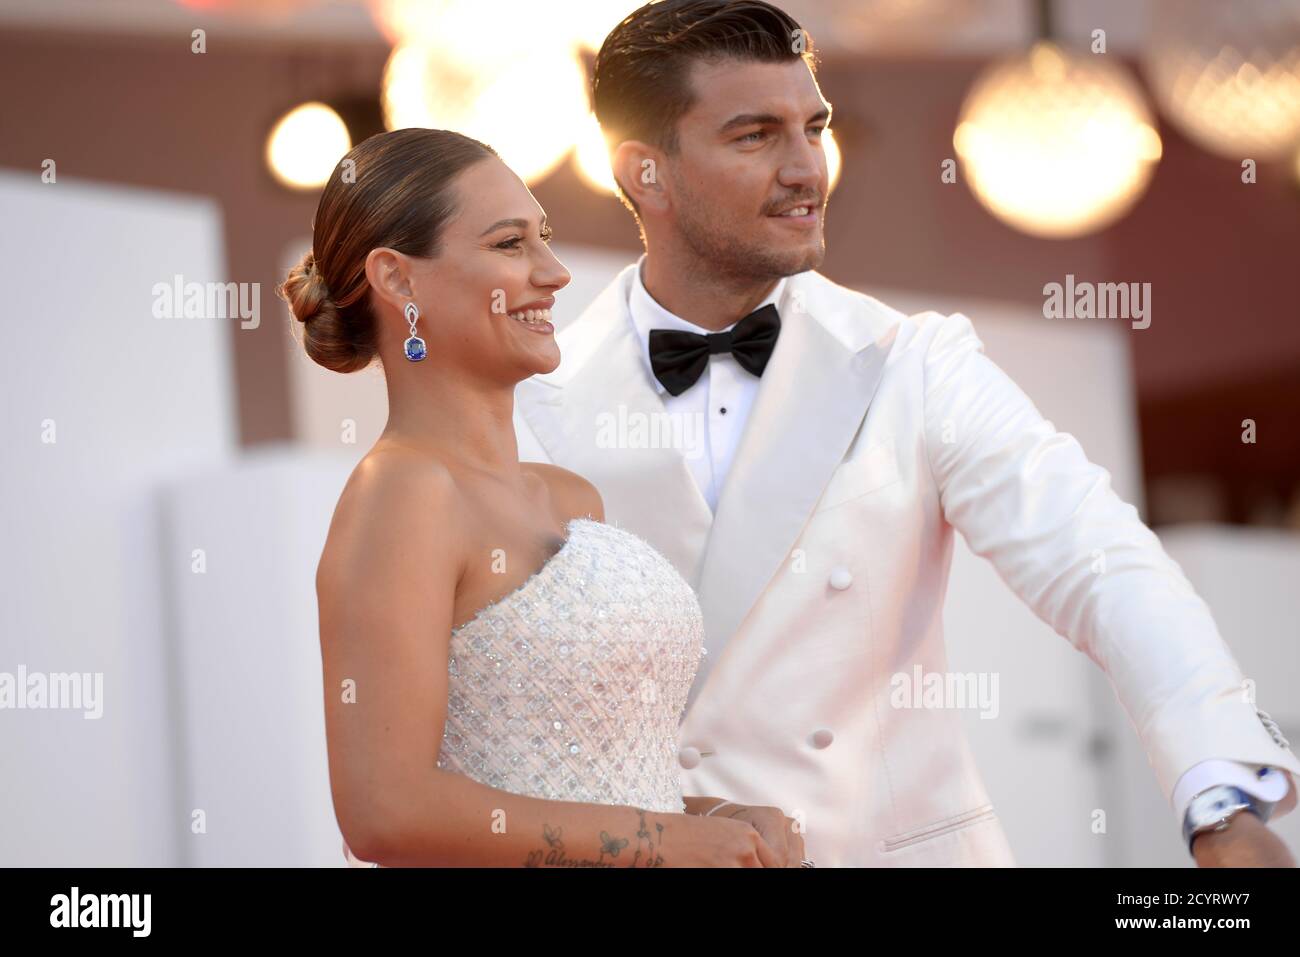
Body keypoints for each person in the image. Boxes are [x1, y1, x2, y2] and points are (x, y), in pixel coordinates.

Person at [512, 0, 1300, 866]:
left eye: (815, 127)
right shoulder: (533, 399)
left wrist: (1221, 798)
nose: (807, 168)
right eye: (755, 136)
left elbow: (1102, 562)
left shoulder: (915, 362)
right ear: (645, 174)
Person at [280, 127, 806, 867]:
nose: (554, 272)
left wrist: (717, 818)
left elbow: (576, 785)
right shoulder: (402, 493)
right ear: (398, 280)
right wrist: (667, 842)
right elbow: (383, 809)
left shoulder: (573, 498)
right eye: (509, 244)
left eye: (545, 238)